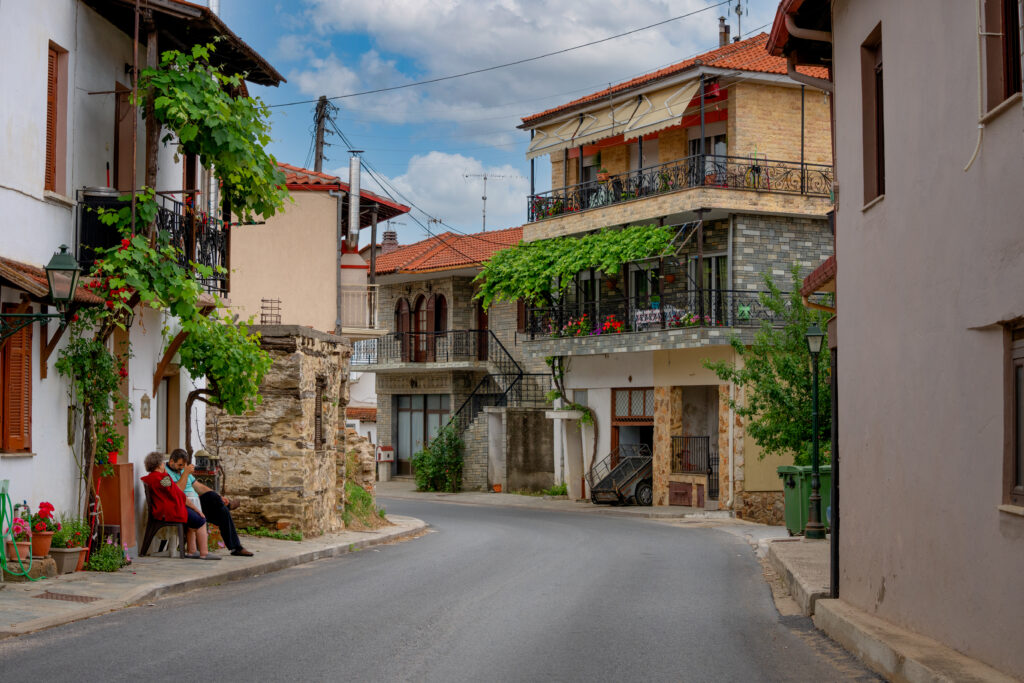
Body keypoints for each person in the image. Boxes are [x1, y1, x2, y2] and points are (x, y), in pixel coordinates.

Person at [167, 449, 253, 557]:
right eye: (180, 465)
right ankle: (229, 506)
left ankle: (236, 548)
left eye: (184, 465)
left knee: (221, 508)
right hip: (184, 506)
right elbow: (177, 492)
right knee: (222, 508)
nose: (182, 468)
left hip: (196, 503)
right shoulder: (166, 473)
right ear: (171, 461)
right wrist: (185, 473)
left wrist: (219, 497)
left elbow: (199, 487)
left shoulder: (183, 470)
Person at [140, 451, 219, 560]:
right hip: (170, 511)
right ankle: (204, 553)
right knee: (201, 520)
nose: (164, 465)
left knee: (193, 517)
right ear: (159, 465)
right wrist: (197, 509)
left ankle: (192, 551)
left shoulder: (151, 478)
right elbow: (178, 494)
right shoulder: (163, 478)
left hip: (163, 510)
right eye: (162, 463)